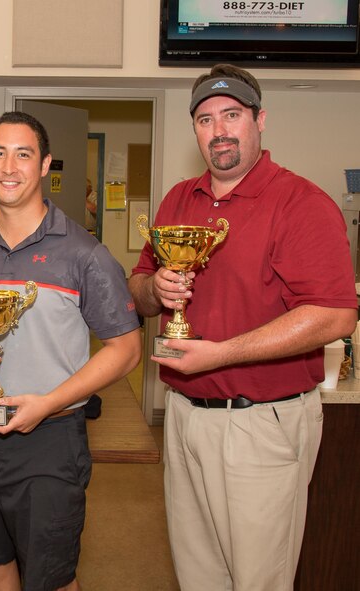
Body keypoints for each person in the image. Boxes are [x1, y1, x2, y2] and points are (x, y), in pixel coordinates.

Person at [127, 64, 357, 591]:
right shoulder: (179, 200)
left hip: (260, 423)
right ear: (195, 130)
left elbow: (336, 314)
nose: (220, 130)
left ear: (260, 121)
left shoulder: (301, 204)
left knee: (258, 579)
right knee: (198, 573)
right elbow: (136, 289)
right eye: (206, 119)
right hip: (184, 416)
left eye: (232, 115)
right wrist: (156, 289)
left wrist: (222, 353)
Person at [0, 111, 142, 591]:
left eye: (23, 154)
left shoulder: (84, 253)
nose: (9, 167)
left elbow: (126, 349)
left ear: (44, 164)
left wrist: (49, 403)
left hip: (49, 437)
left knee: (50, 576)